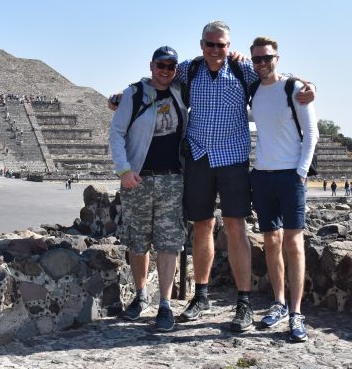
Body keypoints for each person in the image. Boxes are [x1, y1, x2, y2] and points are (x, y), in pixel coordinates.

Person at [108, 21, 315, 333]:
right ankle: (201, 296)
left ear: (229, 46)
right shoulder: (188, 69)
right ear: (201, 44)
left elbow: (274, 74)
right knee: (201, 226)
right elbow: (156, 77)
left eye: (221, 45)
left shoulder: (244, 71)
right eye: (210, 44)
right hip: (199, 156)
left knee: (235, 227)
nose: (216, 50)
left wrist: (308, 84)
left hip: (232, 157)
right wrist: (119, 96)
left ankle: (243, 303)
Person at [109, 46, 188, 333]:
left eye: (171, 66)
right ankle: (141, 295)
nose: (166, 70)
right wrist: (124, 169)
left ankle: (165, 303)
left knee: (169, 243)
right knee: (138, 242)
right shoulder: (134, 94)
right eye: (161, 65)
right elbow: (116, 132)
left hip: (172, 179)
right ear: (151, 66)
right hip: (139, 179)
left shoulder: (181, 91)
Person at [248, 36, 318, 343]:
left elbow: (312, 132)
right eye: (257, 59)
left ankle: (296, 312)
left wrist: (301, 173)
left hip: (290, 174)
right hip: (262, 175)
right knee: (271, 241)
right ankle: (278, 302)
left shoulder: (293, 89)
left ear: (278, 58)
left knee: (294, 242)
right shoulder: (253, 91)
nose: (263, 63)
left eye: (268, 58)